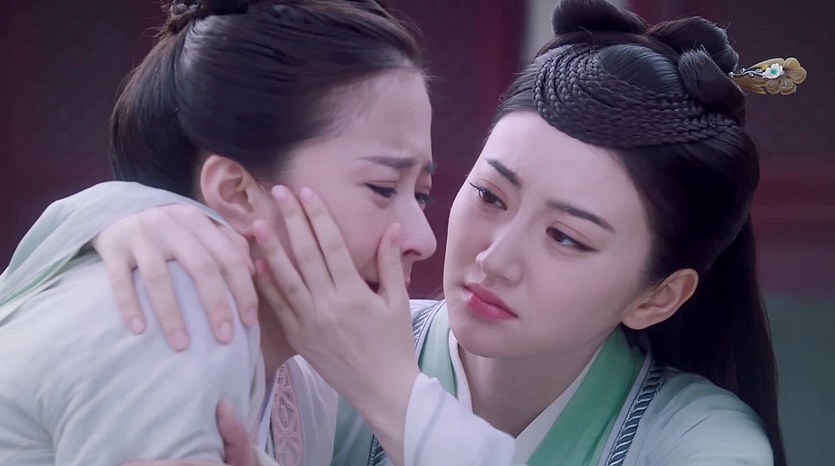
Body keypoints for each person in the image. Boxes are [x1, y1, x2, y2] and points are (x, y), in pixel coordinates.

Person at [12, 0, 802, 464]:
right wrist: (134, 211)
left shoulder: (696, 442)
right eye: (488, 195)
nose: (494, 256)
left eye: (566, 237)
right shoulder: (313, 342)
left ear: (658, 295)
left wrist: (389, 391)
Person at [0, 0, 440, 464]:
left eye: (422, 195)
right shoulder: (168, 307)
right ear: (237, 193)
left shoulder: (302, 385)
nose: (424, 241)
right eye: (383, 187)